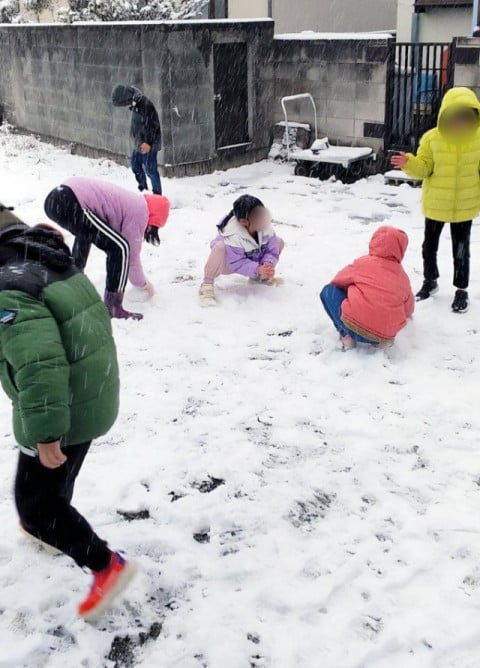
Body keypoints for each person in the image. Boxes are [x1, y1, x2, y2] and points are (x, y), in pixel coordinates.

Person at [0, 203, 136, 621]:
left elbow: (40, 362)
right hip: (91, 392)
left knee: (35, 503)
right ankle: (51, 523)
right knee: (59, 475)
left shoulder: (7, 287)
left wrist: (46, 431)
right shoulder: (42, 255)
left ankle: (105, 565)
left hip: (62, 407)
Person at [391, 87, 480, 313]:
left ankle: (461, 290)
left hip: (464, 204)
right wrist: (409, 163)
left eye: (466, 116)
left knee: (461, 250)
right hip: (436, 204)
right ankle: (430, 282)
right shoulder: (432, 138)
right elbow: (424, 167)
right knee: (429, 247)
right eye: (456, 115)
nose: (460, 121)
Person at [44, 177, 170, 320]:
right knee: (120, 248)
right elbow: (131, 259)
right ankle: (113, 306)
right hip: (69, 200)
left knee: (86, 234)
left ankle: (73, 279)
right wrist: (144, 284)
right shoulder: (141, 212)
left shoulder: (132, 202)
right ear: (154, 218)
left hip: (56, 199)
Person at [320, 226, 414, 350]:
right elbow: (408, 307)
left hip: (354, 326)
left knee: (328, 291)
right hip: (386, 334)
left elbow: (337, 281)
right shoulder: (402, 276)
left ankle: (346, 335)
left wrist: (353, 289)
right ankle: (381, 341)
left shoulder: (363, 263)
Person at [199, 195, 284, 305]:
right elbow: (237, 263)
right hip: (229, 263)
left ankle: (258, 279)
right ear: (244, 222)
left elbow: (271, 251)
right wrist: (257, 269)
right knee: (220, 247)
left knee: (278, 242)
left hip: (253, 258)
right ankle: (207, 284)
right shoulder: (233, 234)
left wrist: (267, 266)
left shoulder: (266, 228)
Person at [112, 84, 162, 195]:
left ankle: (157, 195)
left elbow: (152, 126)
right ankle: (143, 189)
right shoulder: (136, 103)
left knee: (151, 170)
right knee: (135, 166)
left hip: (147, 144)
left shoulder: (145, 105)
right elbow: (138, 126)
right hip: (139, 143)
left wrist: (148, 144)